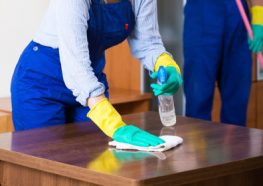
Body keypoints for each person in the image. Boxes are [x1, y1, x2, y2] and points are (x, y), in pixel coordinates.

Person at [11, 0, 182, 147]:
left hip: (90, 80)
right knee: (45, 165)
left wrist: (166, 64)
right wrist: (115, 125)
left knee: (95, 160)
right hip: (41, 85)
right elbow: (76, 65)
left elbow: (148, 43)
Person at [183, 0, 263, 126]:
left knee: (237, 102)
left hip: (237, 17)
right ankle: (197, 144)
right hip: (201, 14)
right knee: (198, 99)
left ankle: (235, 145)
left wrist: (259, 16)